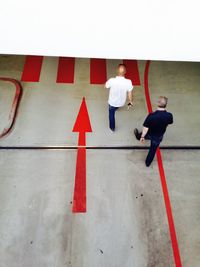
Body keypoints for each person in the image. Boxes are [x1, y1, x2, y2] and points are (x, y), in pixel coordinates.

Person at [134, 96, 173, 167]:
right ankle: (147, 163)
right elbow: (168, 124)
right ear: (165, 105)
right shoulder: (169, 115)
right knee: (152, 150)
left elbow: (145, 128)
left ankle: (138, 137)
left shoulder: (151, 116)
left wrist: (142, 137)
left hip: (149, 133)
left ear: (158, 104)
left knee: (141, 135)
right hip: (158, 136)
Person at [105, 64, 133, 132]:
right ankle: (116, 108)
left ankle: (112, 128)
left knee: (111, 115)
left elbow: (106, 86)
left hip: (112, 102)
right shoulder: (128, 82)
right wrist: (130, 102)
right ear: (125, 72)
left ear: (117, 71)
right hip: (121, 102)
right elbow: (130, 93)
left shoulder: (112, 80)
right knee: (116, 107)